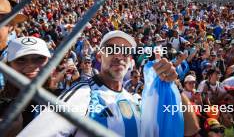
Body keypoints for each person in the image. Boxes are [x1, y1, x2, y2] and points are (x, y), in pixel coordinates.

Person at [18, 30, 198, 137]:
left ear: (131, 60)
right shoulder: (82, 94)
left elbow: (190, 130)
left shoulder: (137, 100)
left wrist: (175, 86)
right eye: (111, 49)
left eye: (125, 51)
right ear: (99, 56)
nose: (119, 55)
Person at [0, 36, 51, 136]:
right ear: (9, 65)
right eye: (21, 59)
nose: (31, 65)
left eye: (40, 58)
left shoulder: (62, 98)